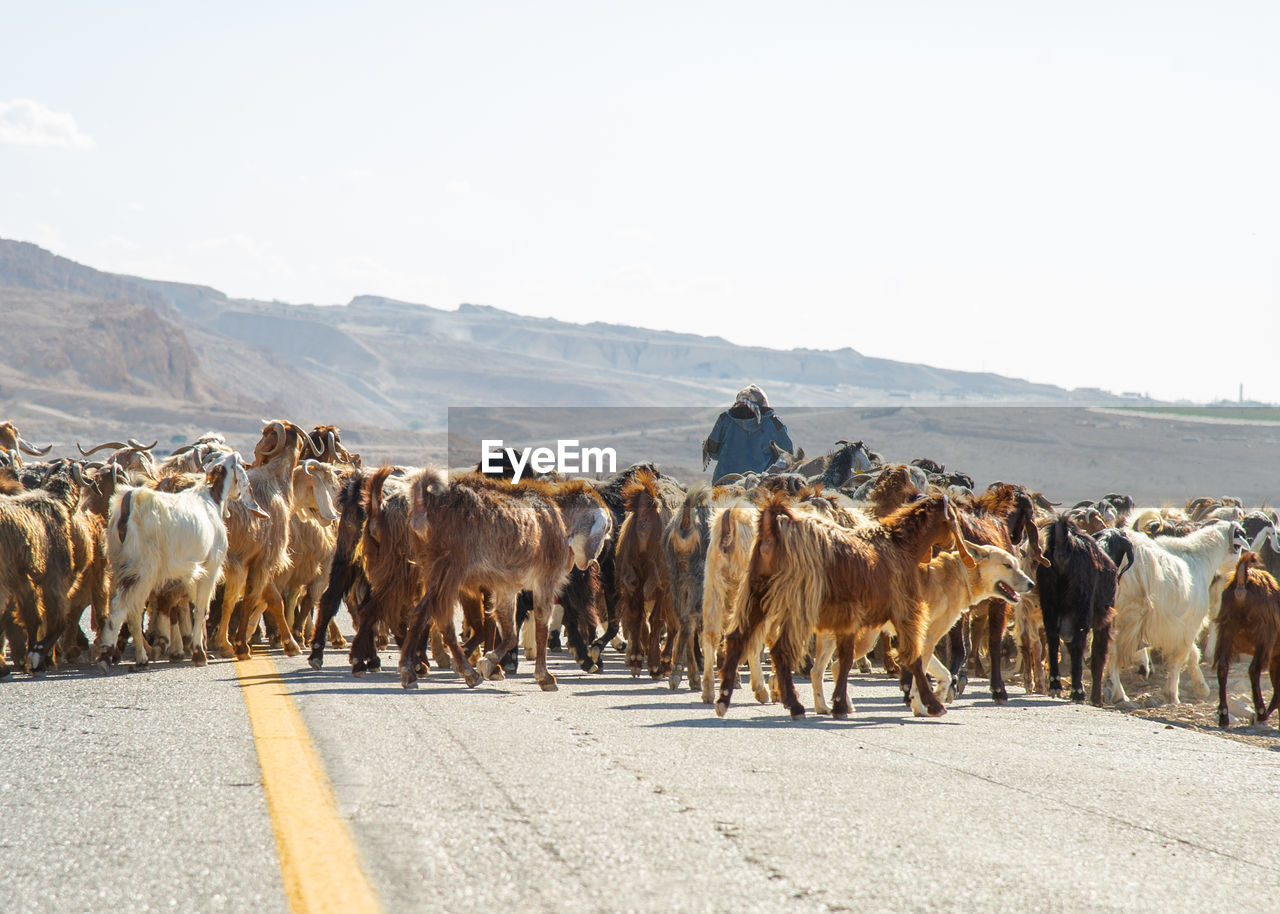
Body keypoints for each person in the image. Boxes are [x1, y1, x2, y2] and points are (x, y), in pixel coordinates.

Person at [701, 385, 794, 483]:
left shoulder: (725, 419)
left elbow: (713, 453)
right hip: (757, 486)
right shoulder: (773, 422)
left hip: (723, 485)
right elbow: (787, 455)